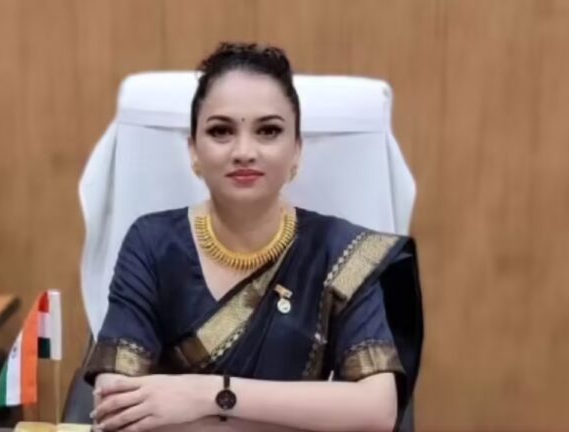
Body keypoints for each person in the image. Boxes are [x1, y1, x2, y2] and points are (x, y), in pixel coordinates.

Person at [84, 42, 423, 432]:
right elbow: (115, 404)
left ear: (296, 151)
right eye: (221, 131)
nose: (244, 151)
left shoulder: (341, 252)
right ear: (193, 151)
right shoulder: (152, 242)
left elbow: (377, 411)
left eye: (268, 131)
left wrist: (206, 394)